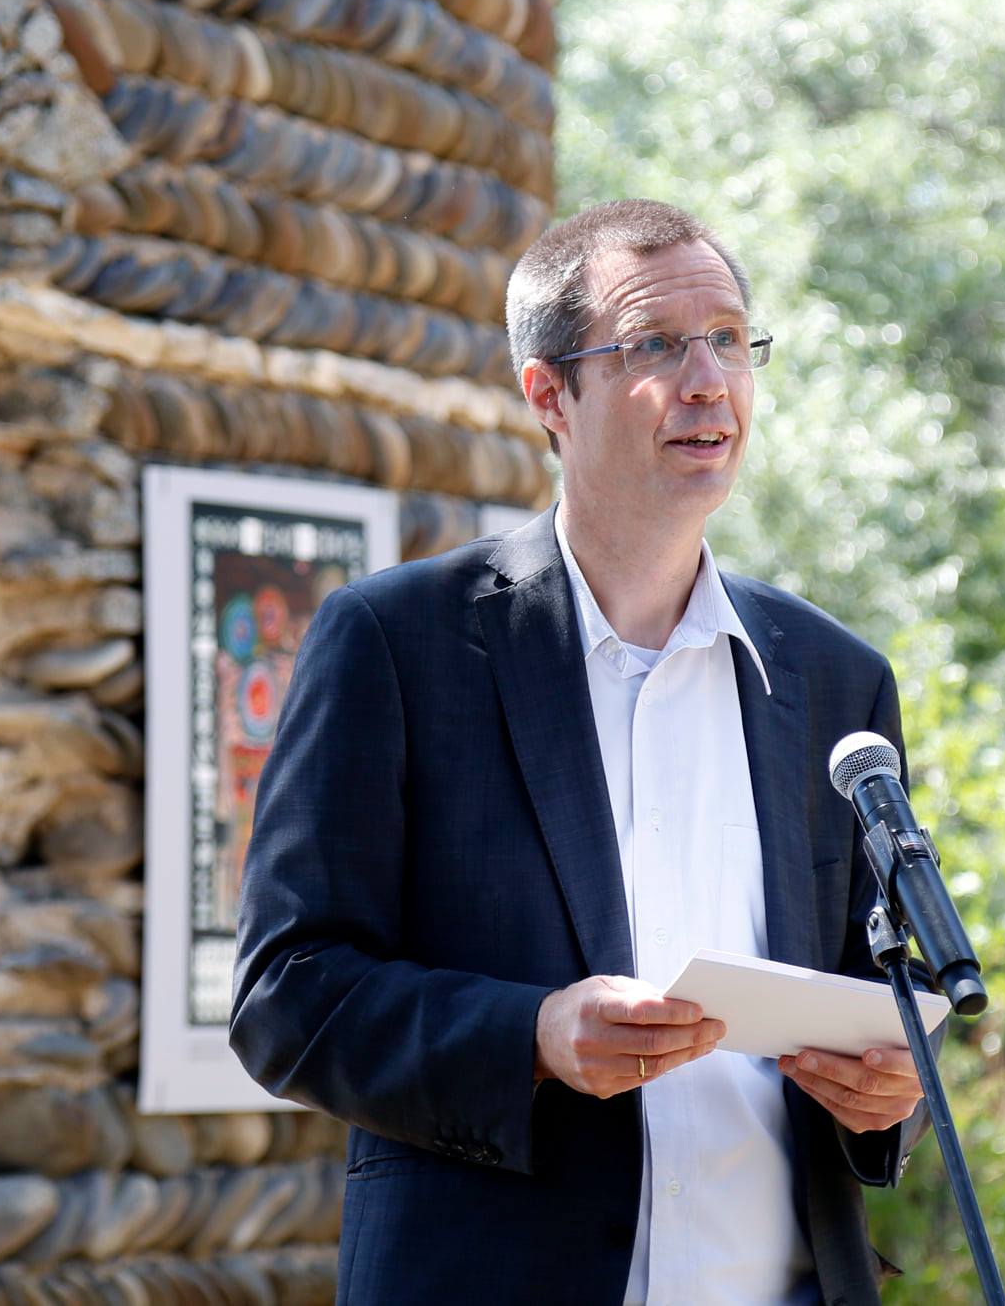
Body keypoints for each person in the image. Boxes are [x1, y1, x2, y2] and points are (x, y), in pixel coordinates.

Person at [230, 200, 931, 1304]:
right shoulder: (396, 643)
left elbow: (877, 988)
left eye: (729, 339)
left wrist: (890, 1094)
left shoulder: (836, 679)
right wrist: (532, 1035)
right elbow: (286, 993)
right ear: (548, 394)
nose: (707, 380)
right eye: (654, 345)